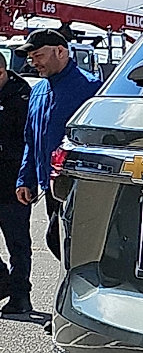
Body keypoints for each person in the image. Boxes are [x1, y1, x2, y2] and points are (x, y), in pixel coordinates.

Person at [14, 29, 99, 310]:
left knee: (66, 243)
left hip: (80, 186)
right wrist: (25, 178)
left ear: (60, 51)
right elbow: (31, 139)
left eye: (38, 55)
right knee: (61, 244)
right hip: (49, 186)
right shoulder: (38, 91)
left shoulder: (90, 88)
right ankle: (76, 304)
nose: (33, 63)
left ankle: (76, 306)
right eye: (30, 58)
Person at [0, 58, 32, 316]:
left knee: (17, 244)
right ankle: (3, 281)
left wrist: (26, 180)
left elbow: (27, 140)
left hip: (12, 183)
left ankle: (20, 295)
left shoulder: (22, 96)